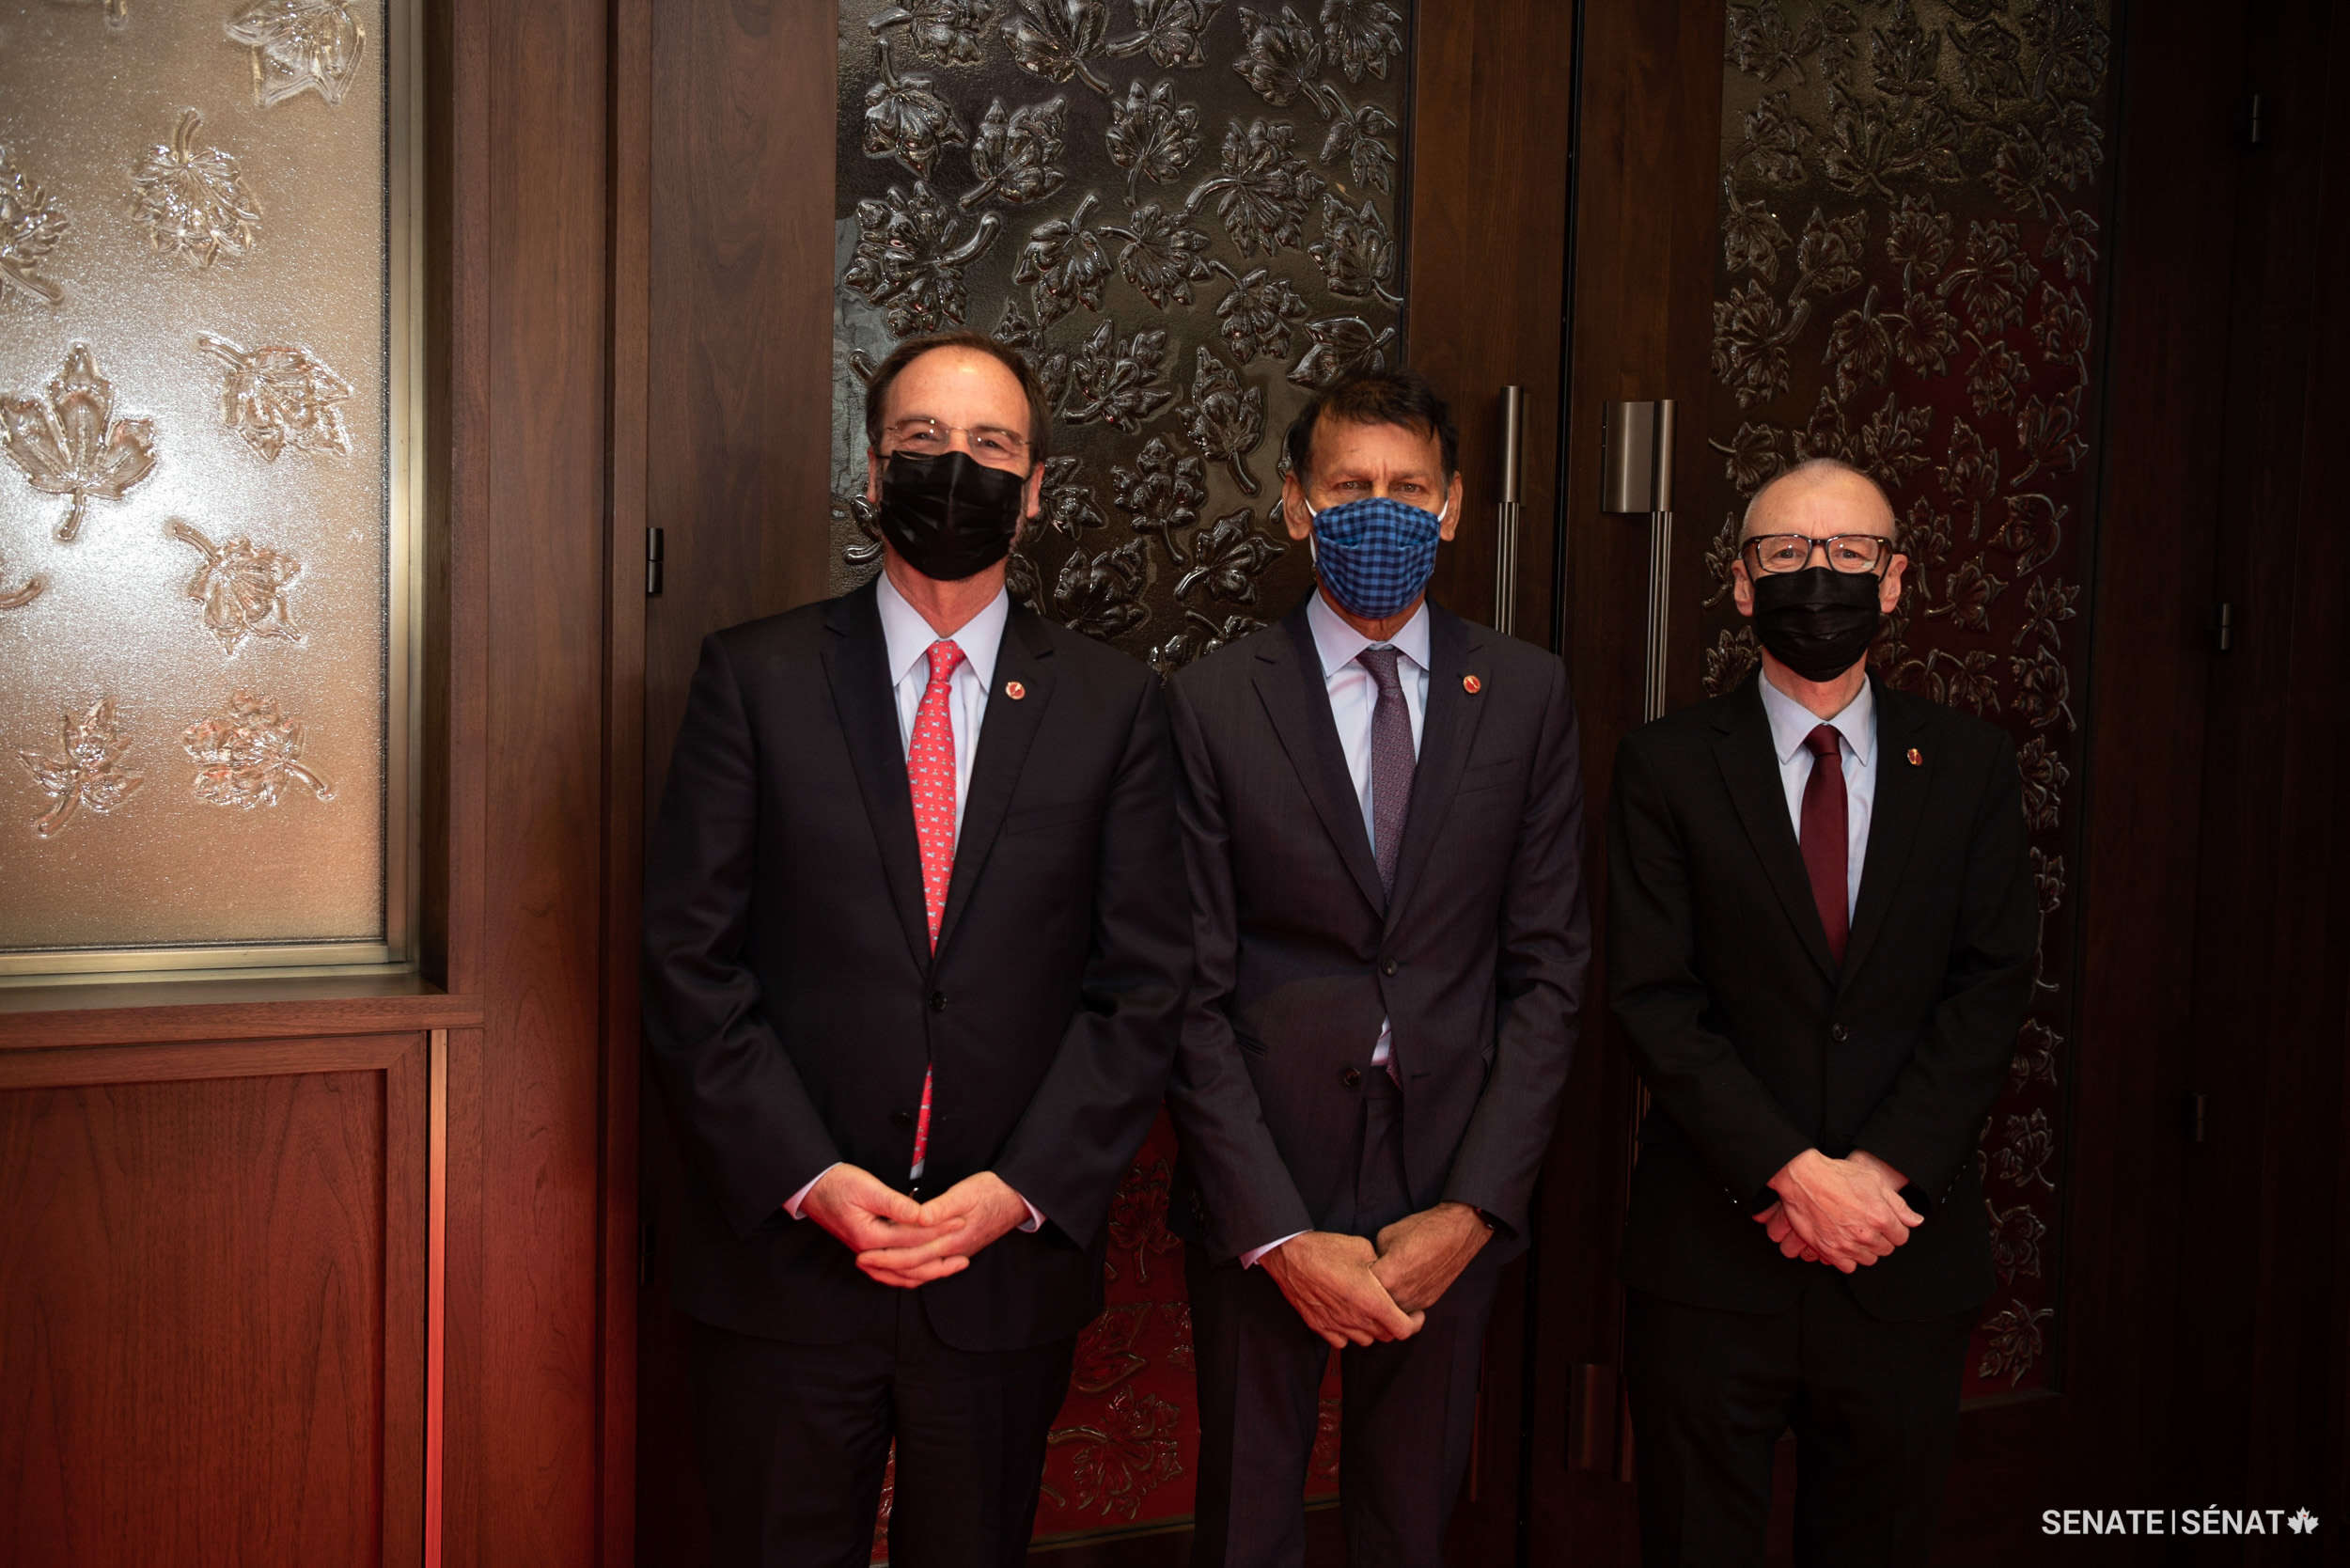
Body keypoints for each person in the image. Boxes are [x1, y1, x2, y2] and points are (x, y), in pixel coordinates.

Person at [640, 330, 1190, 1568]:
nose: (960, 470)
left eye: (992, 447)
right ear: (874, 472)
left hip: (999, 1271)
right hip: (784, 1262)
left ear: (1037, 485)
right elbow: (691, 965)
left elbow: (1141, 987)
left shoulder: (1115, 706)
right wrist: (808, 1177)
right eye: (924, 445)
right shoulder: (757, 677)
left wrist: (1019, 1193)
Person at [1164, 370, 1591, 1567]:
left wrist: (1473, 1208)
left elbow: (1552, 969)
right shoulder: (1207, 705)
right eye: (1350, 486)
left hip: (1450, 1183)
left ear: (1454, 506)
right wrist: (1276, 1234)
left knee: (1411, 1528)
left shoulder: (1526, 692)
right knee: (1247, 1527)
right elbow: (1184, 990)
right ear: (1296, 505)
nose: (1381, 510)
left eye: (1409, 488)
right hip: (1265, 1195)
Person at [1608, 457, 2038, 1565]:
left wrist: (1880, 1175)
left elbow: (1990, 987)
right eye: (1786, 553)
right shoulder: (1661, 767)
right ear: (1742, 586)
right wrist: (1792, 1177)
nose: (1819, 576)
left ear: (1893, 582)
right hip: (1713, 1258)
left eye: (1849, 553)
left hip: (1903, 1258)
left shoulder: (1971, 764)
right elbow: (1653, 996)